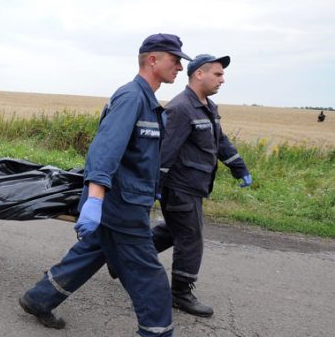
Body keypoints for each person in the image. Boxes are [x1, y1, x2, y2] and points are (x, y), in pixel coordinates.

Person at [19, 33, 191, 336]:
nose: (179, 66)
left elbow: (137, 156)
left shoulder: (147, 101)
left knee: (92, 252)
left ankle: (39, 299)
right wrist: (95, 199)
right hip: (122, 206)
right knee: (148, 276)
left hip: (125, 201)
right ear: (153, 59)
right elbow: (104, 150)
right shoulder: (132, 98)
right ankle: (157, 332)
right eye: (174, 59)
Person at [152, 54, 251, 317]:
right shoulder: (181, 108)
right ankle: (180, 294)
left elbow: (220, 141)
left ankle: (123, 258)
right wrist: (156, 186)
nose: (222, 79)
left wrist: (238, 167)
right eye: (217, 74)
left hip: (194, 184)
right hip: (179, 186)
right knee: (190, 237)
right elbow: (165, 151)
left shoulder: (208, 106)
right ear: (199, 74)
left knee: (173, 232)